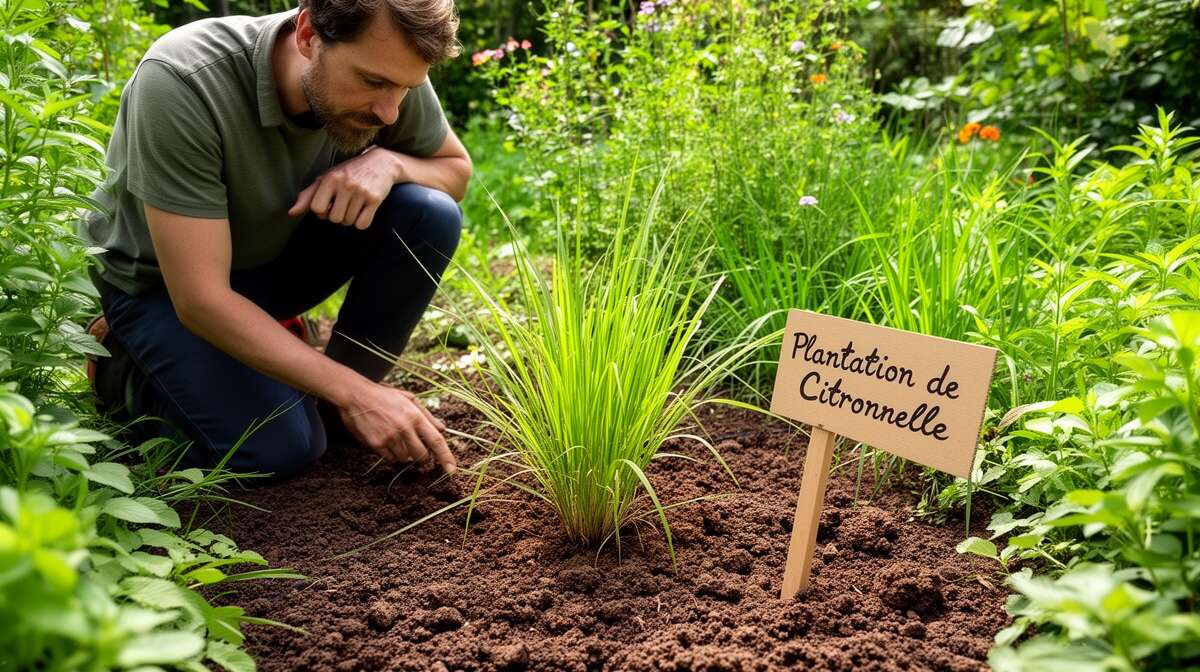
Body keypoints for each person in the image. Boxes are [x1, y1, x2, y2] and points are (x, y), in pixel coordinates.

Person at [79, 0, 469, 479]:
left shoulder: (389, 60)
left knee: (430, 213)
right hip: (165, 287)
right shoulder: (183, 79)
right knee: (275, 452)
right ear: (307, 35)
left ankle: (335, 409)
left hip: (275, 258)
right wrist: (355, 391)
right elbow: (201, 298)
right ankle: (124, 368)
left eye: (405, 88)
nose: (390, 113)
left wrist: (391, 163)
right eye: (373, 83)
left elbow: (455, 171)